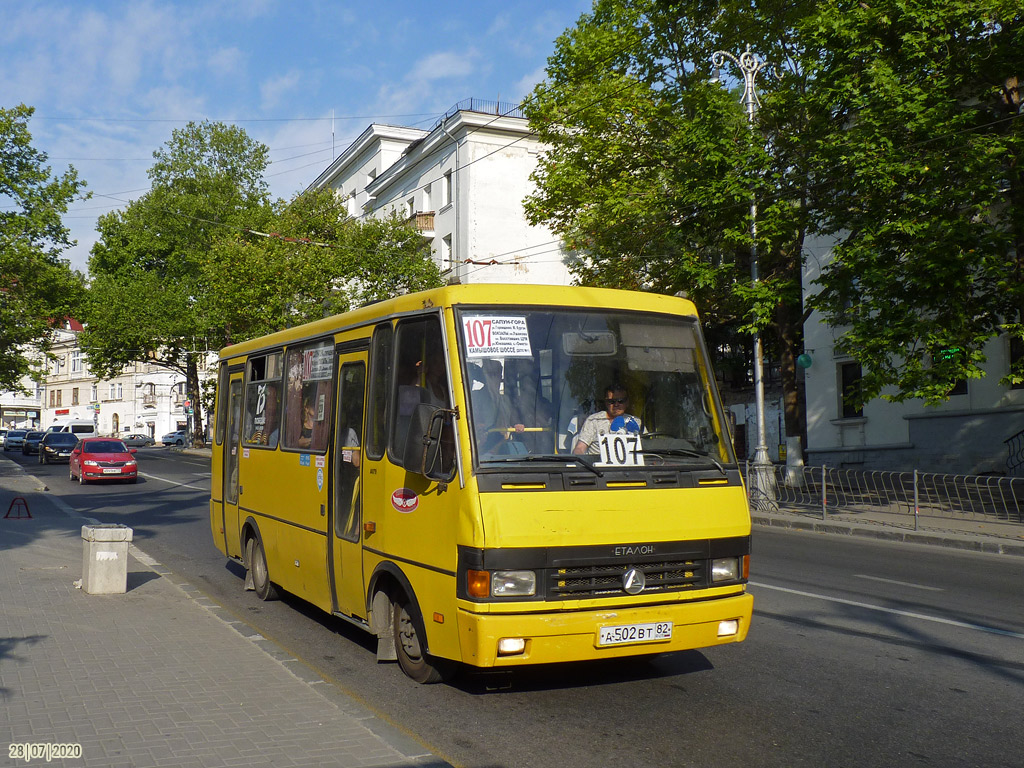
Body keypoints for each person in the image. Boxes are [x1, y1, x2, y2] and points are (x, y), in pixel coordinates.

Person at [573, 384, 642, 455]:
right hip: (595, 465)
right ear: (606, 403)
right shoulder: (594, 420)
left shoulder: (636, 422)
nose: (616, 404)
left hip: (631, 465)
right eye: (611, 401)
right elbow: (580, 448)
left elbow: (647, 447)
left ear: (627, 402)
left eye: (621, 401)